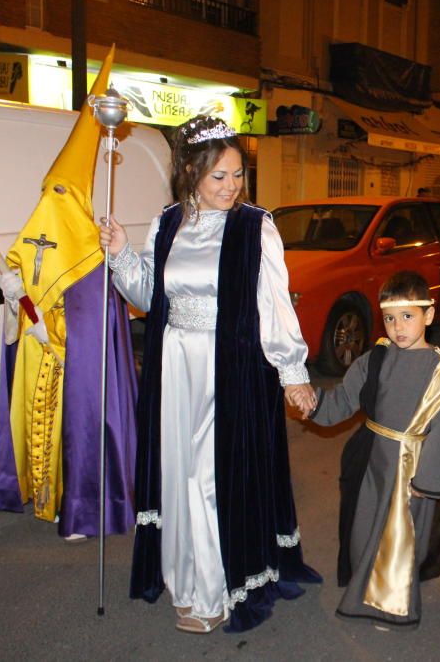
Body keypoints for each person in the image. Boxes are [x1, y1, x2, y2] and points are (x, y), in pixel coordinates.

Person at [99, 114, 321, 634]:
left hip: (233, 369)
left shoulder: (255, 227)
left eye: (239, 174)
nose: (232, 186)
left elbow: (273, 305)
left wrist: (292, 371)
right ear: (192, 172)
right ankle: (187, 573)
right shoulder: (168, 223)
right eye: (219, 175)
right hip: (175, 365)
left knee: (208, 474)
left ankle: (212, 589)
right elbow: (149, 296)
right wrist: (120, 255)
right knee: (180, 471)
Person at [0, 47, 138, 543]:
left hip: (71, 373)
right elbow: (21, 308)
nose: (49, 201)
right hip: (39, 369)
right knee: (42, 430)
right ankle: (46, 498)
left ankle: (82, 505)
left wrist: (48, 329)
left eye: (60, 192)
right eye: (47, 189)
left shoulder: (94, 262)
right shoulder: (35, 245)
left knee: (80, 428)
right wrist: (14, 301)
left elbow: (91, 341)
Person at [307, 271, 440, 630]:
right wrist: (310, 401)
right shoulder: (374, 360)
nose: (398, 327)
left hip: (412, 470)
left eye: (407, 316)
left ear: (428, 315)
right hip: (373, 464)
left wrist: (428, 482)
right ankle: (368, 590)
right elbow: (344, 401)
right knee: (364, 530)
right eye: (390, 318)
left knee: (400, 540)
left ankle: (391, 605)